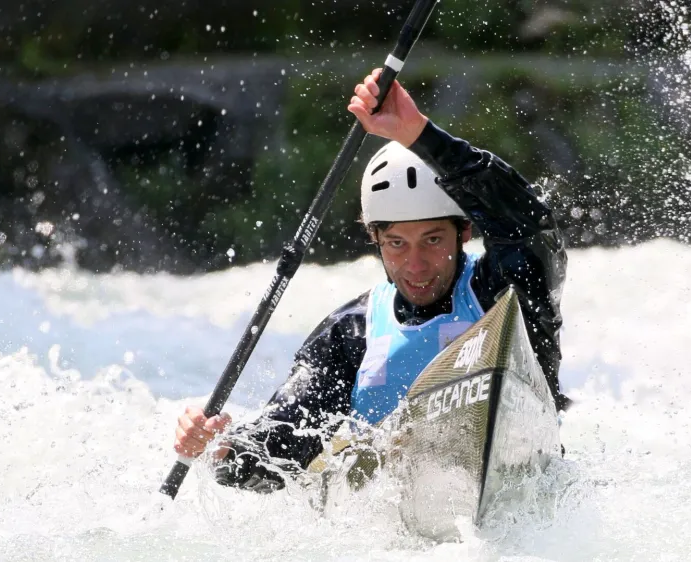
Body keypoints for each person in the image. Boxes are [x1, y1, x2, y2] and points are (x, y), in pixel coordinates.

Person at [173, 68, 569, 493]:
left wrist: (420, 134)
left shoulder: (507, 291)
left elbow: (529, 224)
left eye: (432, 239)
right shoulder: (350, 333)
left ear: (465, 232)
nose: (415, 265)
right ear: (375, 239)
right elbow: (275, 458)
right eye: (396, 243)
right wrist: (217, 448)